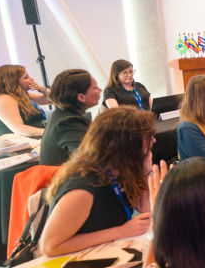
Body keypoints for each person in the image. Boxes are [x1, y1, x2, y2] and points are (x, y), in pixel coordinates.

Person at [39, 107, 155, 256]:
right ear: (125, 146)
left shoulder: (120, 169)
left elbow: (145, 207)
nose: (154, 140)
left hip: (109, 250)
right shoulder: (82, 190)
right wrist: (120, 231)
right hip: (79, 260)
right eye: (148, 137)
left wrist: (146, 171)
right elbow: (50, 246)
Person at [39, 69, 101, 166]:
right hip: (65, 179)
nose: (100, 90)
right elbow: (92, 160)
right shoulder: (68, 122)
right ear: (81, 97)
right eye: (95, 87)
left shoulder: (61, 114)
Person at [0, 64, 50, 137]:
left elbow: (52, 100)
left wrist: (41, 89)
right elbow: (19, 129)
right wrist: (52, 132)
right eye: (26, 77)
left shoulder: (21, 95)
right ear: (13, 82)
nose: (31, 79)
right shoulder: (4, 99)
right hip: (14, 144)